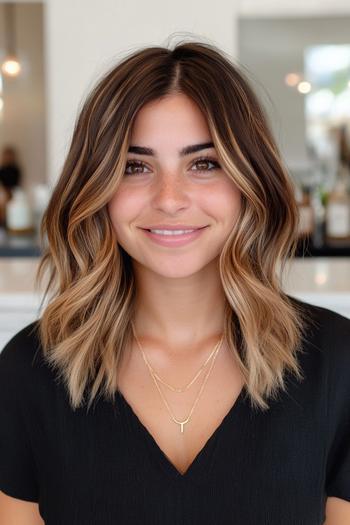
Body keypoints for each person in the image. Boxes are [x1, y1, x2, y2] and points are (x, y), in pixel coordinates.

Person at [0, 39, 349, 525]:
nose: (169, 198)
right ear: (96, 188)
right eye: (134, 166)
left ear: (251, 181)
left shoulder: (336, 361)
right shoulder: (28, 370)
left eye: (204, 163)